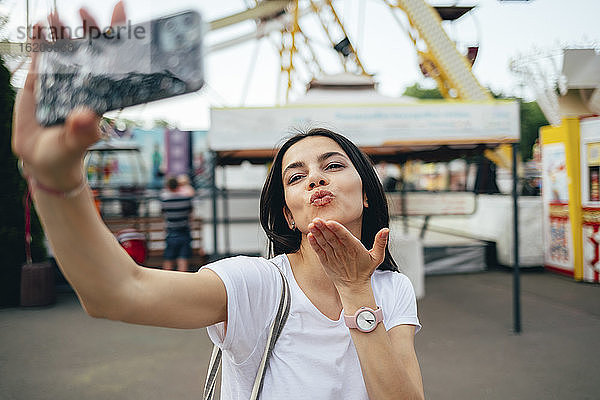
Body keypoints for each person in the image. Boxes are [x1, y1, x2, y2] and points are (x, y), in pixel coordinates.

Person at [12, 3, 424, 399]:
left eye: (332, 166)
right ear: (288, 214)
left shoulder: (392, 290)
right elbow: (118, 291)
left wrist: (356, 292)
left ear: (368, 194)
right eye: (295, 177)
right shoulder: (257, 285)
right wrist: (57, 180)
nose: (314, 177)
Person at [161, 176, 193, 272]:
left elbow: (163, 214)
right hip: (184, 232)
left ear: (168, 187)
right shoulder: (186, 200)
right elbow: (191, 213)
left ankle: (166, 283)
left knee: (168, 259)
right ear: (178, 185)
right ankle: (183, 283)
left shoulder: (165, 201)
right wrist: (184, 184)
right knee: (183, 259)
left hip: (171, 232)